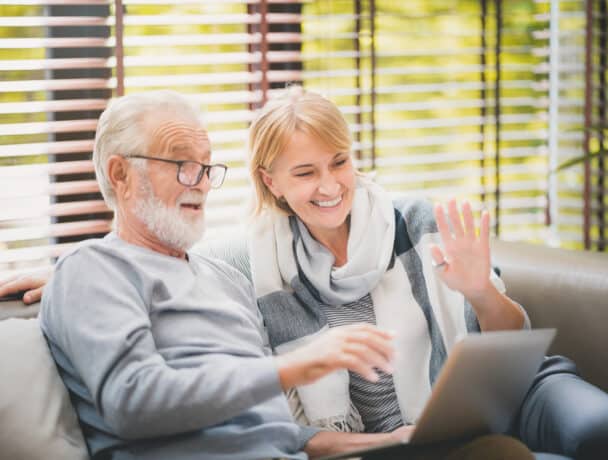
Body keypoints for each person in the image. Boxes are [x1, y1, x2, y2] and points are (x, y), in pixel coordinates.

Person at [21, 90, 534, 460]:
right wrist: (297, 366)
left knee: (492, 452)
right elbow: (134, 403)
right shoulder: (92, 270)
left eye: (207, 166)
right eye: (181, 164)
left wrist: (390, 441)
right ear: (119, 175)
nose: (200, 182)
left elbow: (285, 435)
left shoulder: (225, 279)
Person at [240, 86, 608, 460]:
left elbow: (513, 343)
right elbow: (287, 434)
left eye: (339, 162)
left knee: (605, 430)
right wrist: (393, 440)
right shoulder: (262, 270)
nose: (330, 185)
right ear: (271, 181)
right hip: (394, 446)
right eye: (306, 173)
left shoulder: (415, 222)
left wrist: (480, 290)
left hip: (495, 401)